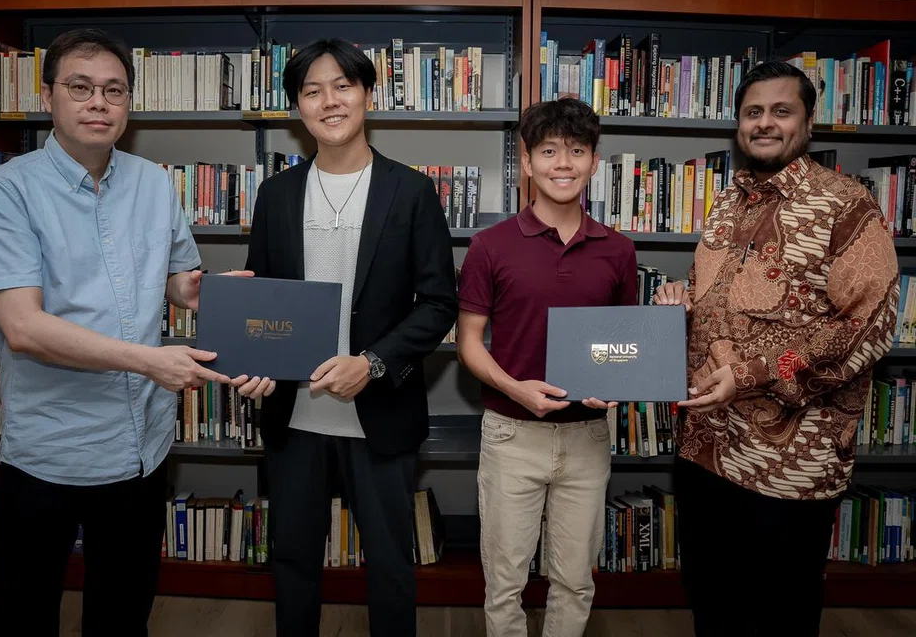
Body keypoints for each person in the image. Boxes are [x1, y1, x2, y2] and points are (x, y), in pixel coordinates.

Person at [0, 28, 257, 636]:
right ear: (48, 97)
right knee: (22, 616)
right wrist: (148, 360)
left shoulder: (154, 183)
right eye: (81, 87)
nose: (98, 102)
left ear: (129, 103)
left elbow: (179, 279)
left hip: (140, 450)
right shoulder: (5, 193)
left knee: (123, 614)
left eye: (114, 90)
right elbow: (22, 328)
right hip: (50, 450)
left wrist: (208, 291)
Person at [654, 61, 899, 637]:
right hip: (705, 450)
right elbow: (726, 301)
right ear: (739, 124)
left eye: (781, 111)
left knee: (780, 615)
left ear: (809, 123)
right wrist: (679, 301)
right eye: (753, 112)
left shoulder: (847, 205)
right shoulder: (727, 203)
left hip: (789, 469)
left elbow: (866, 326)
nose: (765, 124)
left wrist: (757, 373)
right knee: (712, 604)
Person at [240, 38, 458, 636]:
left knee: (390, 564)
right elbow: (262, 302)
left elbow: (439, 302)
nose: (328, 100)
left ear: (366, 94)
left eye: (342, 86)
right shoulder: (276, 194)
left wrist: (374, 362)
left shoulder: (410, 190)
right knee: (293, 560)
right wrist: (254, 357)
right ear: (296, 108)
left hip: (378, 411)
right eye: (312, 91)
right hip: (294, 413)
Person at [456, 97, 638, 637]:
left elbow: (621, 345)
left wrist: (615, 384)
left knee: (576, 581)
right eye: (550, 150)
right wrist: (515, 389)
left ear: (594, 162)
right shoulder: (490, 246)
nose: (564, 163)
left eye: (577, 151)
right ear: (528, 162)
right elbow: (468, 342)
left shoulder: (618, 250)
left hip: (587, 436)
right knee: (504, 583)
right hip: (513, 435)